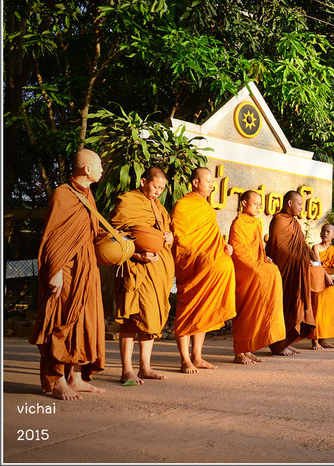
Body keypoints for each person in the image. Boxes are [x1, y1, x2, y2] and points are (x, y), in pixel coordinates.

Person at [29, 149, 106, 400]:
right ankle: (57, 380)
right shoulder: (63, 194)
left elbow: (88, 232)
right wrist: (56, 272)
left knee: (82, 323)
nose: (102, 170)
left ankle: (74, 377)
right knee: (60, 321)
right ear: (87, 169)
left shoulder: (88, 195)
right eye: (99, 166)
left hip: (86, 268)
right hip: (66, 269)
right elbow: (53, 237)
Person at [110, 166, 174, 384]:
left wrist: (169, 237)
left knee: (151, 316)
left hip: (157, 269)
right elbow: (114, 234)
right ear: (143, 181)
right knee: (130, 316)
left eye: (162, 189)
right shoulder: (127, 201)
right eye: (156, 187)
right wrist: (137, 253)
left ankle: (145, 366)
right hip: (135, 267)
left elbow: (168, 234)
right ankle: (127, 369)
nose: (158, 192)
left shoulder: (160, 208)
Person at [171, 167, 236, 373]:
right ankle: (185, 360)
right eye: (207, 181)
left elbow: (212, 239)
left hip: (208, 265)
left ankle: (197, 356)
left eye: (212, 182)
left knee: (203, 309)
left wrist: (224, 247)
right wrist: (201, 255)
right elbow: (181, 238)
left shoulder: (207, 209)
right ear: (195, 183)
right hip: (191, 265)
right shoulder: (183, 205)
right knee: (188, 309)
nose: (211, 185)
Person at [227, 190, 286, 364]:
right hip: (245, 271)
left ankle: (248, 349)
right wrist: (256, 266)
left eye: (260, 205)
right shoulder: (238, 223)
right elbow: (238, 252)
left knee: (273, 270)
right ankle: (239, 352)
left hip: (256, 267)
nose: (259, 207)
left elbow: (258, 247)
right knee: (245, 311)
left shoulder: (257, 223)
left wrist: (263, 258)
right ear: (244, 203)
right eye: (255, 204)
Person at [265, 190, 317, 355]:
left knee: (294, 305)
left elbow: (301, 245)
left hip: (296, 271)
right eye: (300, 204)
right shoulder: (279, 221)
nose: (302, 208)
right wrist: (301, 258)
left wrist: (309, 257)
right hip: (284, 272)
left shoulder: (294, 222)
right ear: (289, 203)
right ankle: (277, 344)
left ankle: (286, 341)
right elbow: (280, 248)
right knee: (282, 306)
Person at [310, 224, 334, 350]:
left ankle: (323, 339)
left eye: (328, 231)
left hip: (332, 283)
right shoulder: (316, 247)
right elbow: (318, 264)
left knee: (329, 312)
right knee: (318, 311)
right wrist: (327, 277)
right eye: (323, 231)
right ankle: (315, 341)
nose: (325, 233)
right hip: (320, 281)